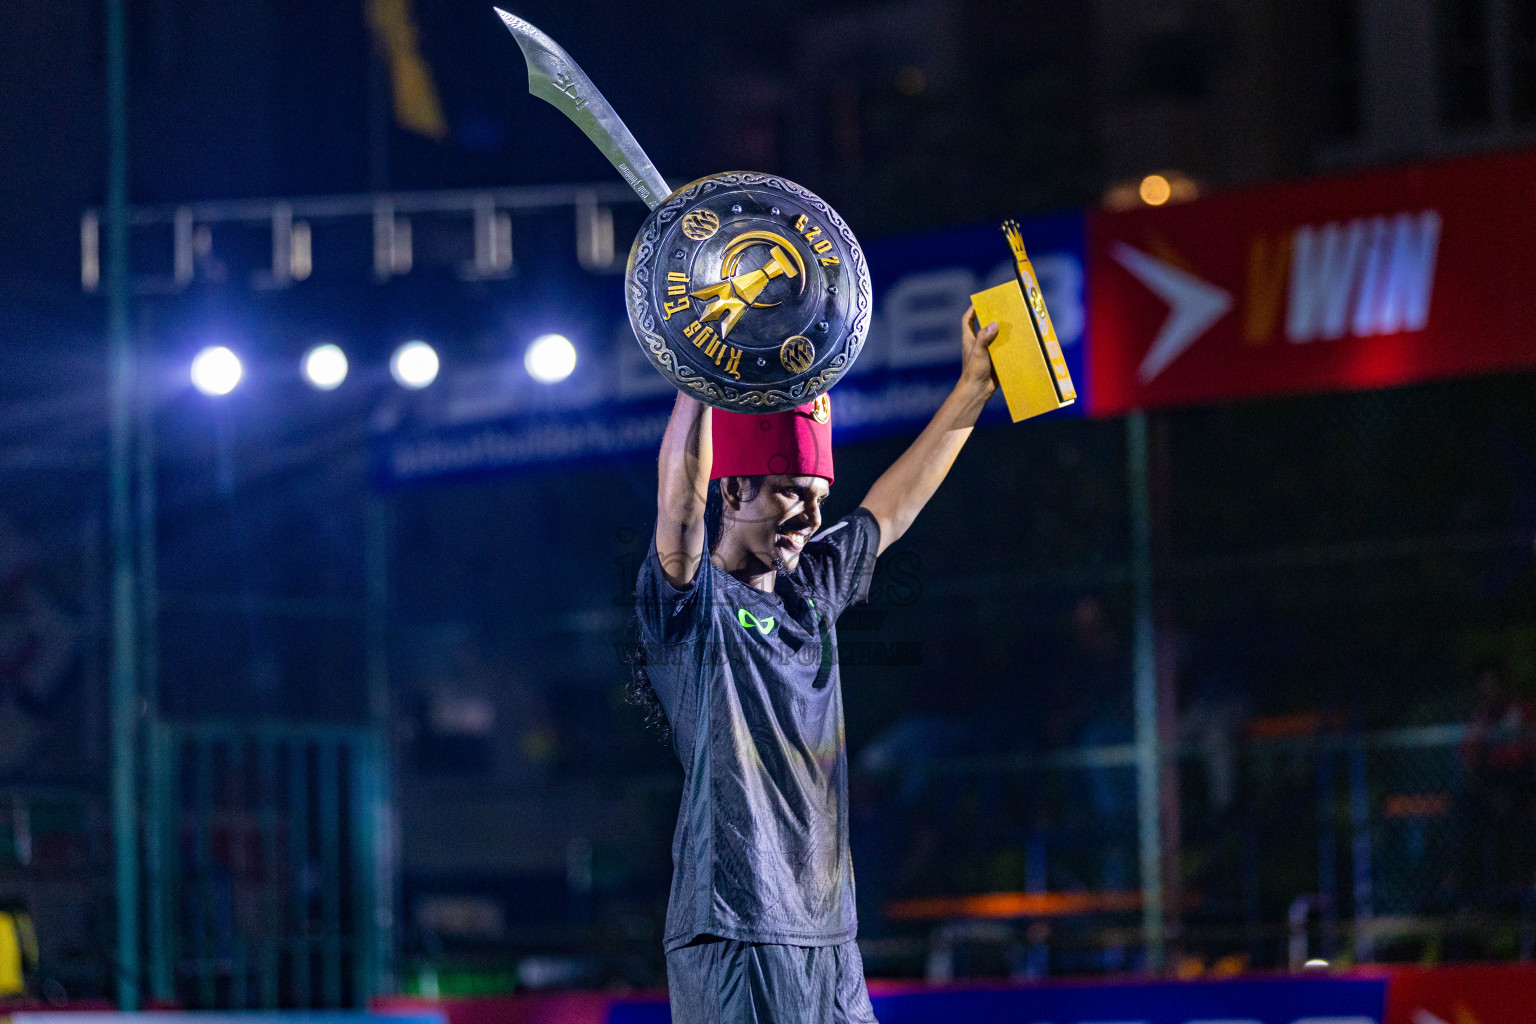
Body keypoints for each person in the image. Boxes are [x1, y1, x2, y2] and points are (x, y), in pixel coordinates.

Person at [631, 308, 998, 1023]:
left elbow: (891, 508)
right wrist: (699, 367)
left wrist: (974, 389)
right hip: (732, 932)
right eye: (792, 491)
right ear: (733, 491)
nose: (808, 514)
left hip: (829, 937)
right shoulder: (693, 610)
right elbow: (677, 502)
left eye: (818, 497)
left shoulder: (812, 595)